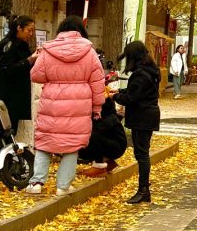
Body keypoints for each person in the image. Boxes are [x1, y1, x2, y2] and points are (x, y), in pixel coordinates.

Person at [28, 16, 104, 196]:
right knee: (72, 145)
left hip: (52, 102)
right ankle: (63, 186)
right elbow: (98, 82)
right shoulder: (89, 51)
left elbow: (36, 76)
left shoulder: (48, 49)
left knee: (45, 142)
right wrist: (97, 107)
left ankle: (37, 183)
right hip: (79, 104)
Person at [113, 40, 161, 204]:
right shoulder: (150, 71)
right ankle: (143, 189)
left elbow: (132, 98)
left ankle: (143, 190)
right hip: (148, 114)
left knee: (141, 154)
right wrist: (119, 90)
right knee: (142, 153)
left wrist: (114, 96)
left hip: (142, 117)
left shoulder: (140, 74)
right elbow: (137, 91)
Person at [0, 14, 36, 144]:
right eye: (29, 30)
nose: (31, 34)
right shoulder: (9, 45)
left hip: (17, 96)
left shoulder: (21, 45)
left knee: (12, 130)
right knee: (6, 131)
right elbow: (7, 69)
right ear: (19, 28)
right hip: (8, 96)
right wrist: (29, 60)